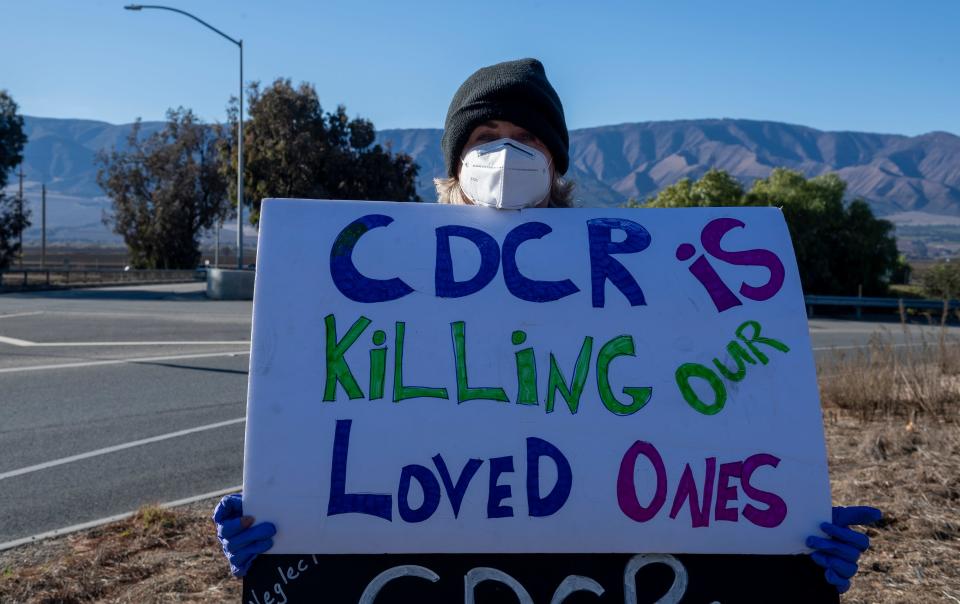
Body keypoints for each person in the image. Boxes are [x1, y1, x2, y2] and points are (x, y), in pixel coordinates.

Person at [213, 58, 881, 593]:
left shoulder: (640, 285)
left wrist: (794, 549)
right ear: (453, 168)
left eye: (527, 140)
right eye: (484, 140)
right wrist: (282, 535)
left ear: (557, 166)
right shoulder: (380, 279)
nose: (505, 155)